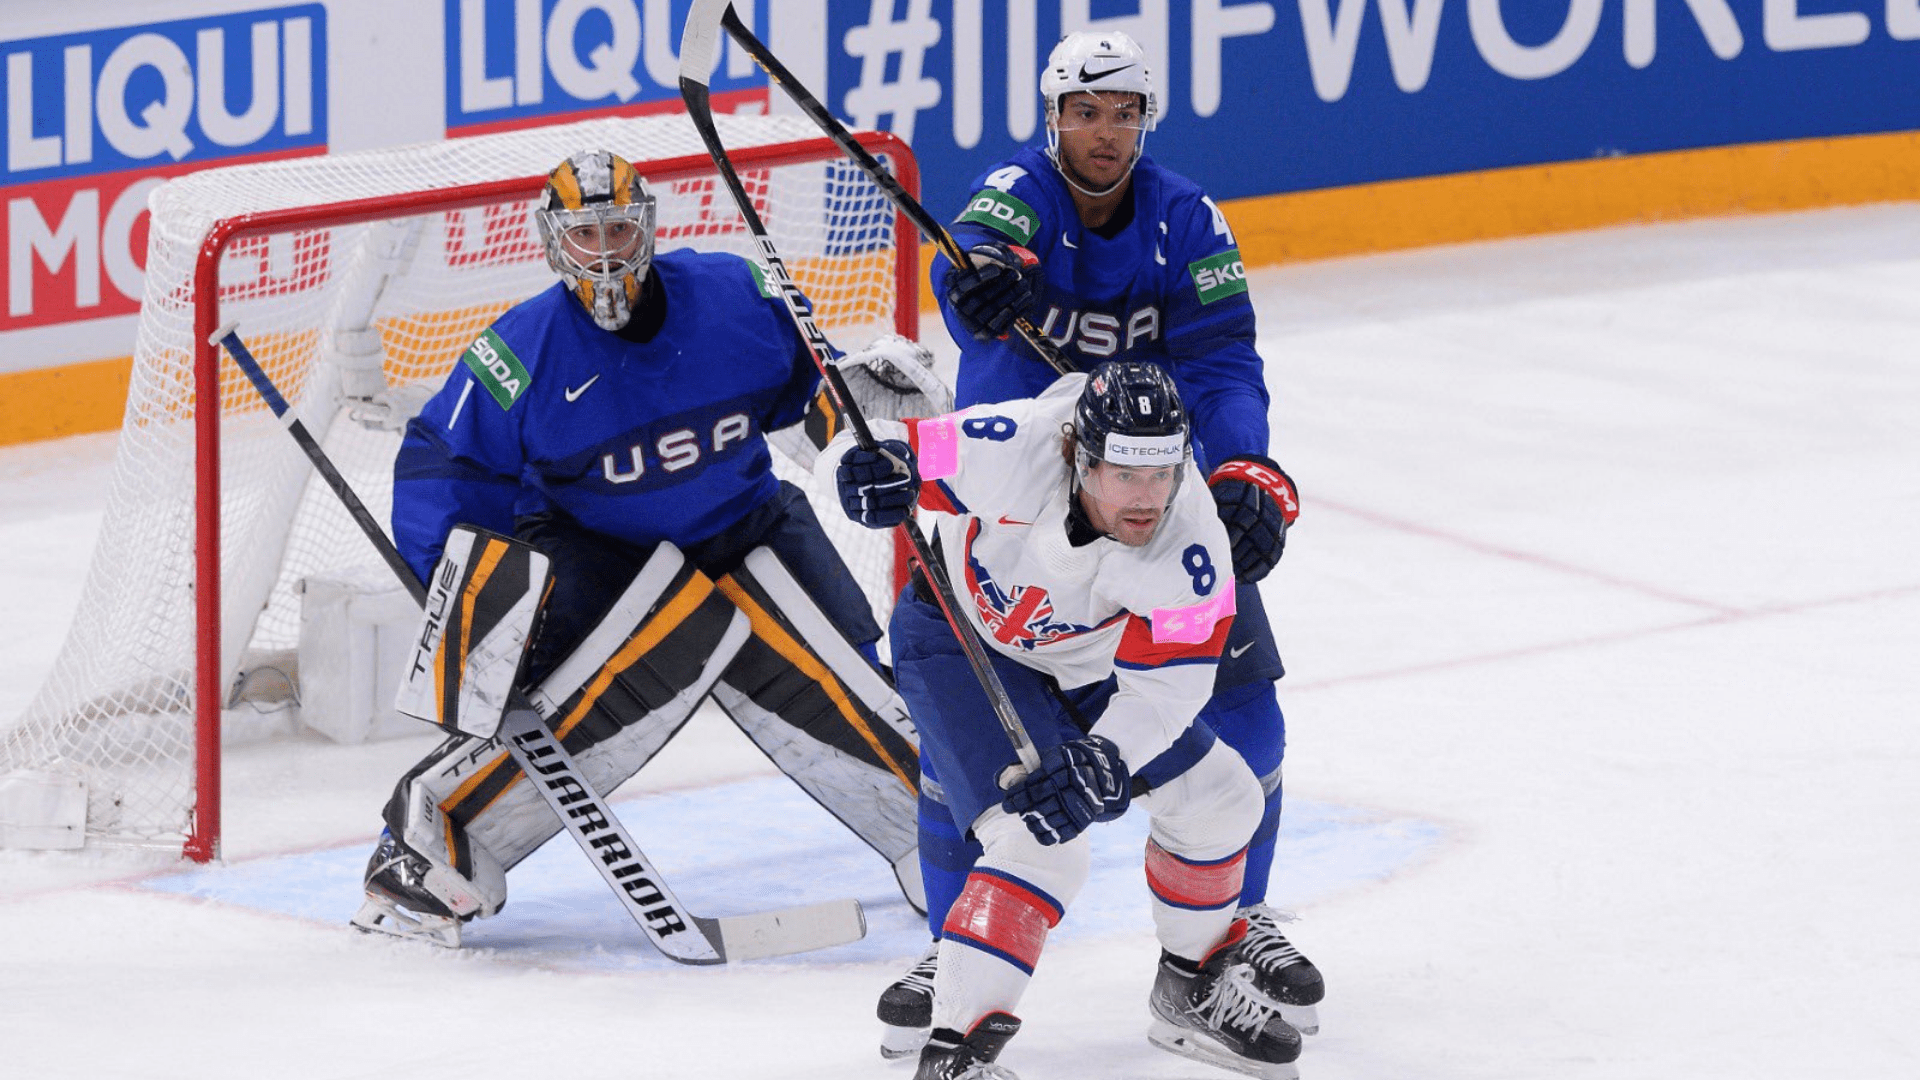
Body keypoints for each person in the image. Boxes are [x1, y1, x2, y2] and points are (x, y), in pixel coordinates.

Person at [348, 149, 935, 947]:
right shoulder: (520, 351)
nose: (605, 252)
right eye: (584, 235)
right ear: (554, 243)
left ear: (649, 227)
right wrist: (465, 592)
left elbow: (811, 394)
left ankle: (940, 839)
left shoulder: (736, 295)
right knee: (572, 707)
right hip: (600, 552)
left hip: (747, 524)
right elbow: (443, 462)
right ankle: (424, 849)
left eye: (619, 228)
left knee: (856, 678)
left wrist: (867, 432)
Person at [877, 27, 1322, 1050]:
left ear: (1144, 122)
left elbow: (1220, 357)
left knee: (1240, 703)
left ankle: (1222, 936)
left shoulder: (1185, 220)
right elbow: (976, 261)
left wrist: (1240, 468)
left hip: (1156, 507)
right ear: (1053, 118)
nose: (1104, 133)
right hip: (1024, 507)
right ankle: (961, 943)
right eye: (1085, 112)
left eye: (1124, 114)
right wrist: (977, 287)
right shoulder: (1016, 192)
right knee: (965, 758)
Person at [826, 361, 1302, 1080]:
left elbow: (1168, 689)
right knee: (1041, 843)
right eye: (1125, 475)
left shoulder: (1196, 549)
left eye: (1162, 474)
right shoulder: (1019, 442)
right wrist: (876, 466)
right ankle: (954, 1054)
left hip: (1081, 662)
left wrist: (1106, 754)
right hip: (956, 640)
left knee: (1220, 799)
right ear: (1079, 454)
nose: (1148, 500)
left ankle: (1190, 986)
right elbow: (900, 447)